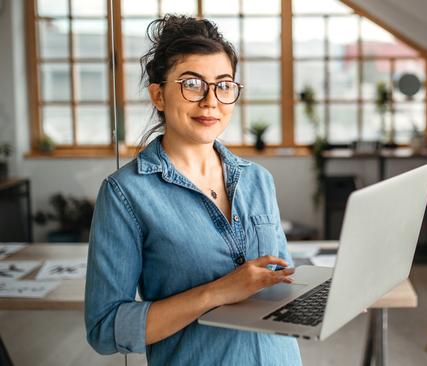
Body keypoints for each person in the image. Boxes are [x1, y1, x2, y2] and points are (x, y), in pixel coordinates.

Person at [84, 15, 301, 365]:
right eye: (192, 83)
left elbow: (278, 281)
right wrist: (217, 292)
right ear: (158, 94)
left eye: (224, 84)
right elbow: (105, 329)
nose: (211, 100)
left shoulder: (258, 179)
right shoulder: (125, 194)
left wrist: (331, 295)